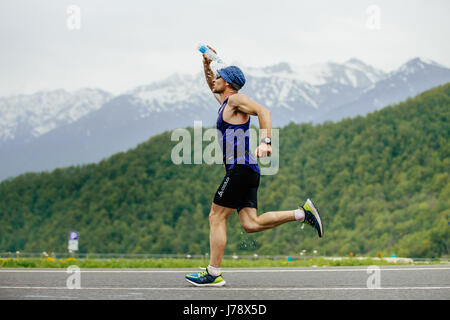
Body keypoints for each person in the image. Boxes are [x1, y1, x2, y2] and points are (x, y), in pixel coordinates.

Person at [185, 46, 323, 287]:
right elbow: (211, 84)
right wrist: (207, 64)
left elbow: (263, 111)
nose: (214, 81)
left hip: (240, 168)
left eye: (219, 77)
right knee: (251, 224)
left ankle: (213, 272)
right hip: (246, 170)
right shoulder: (226, 102)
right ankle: (303, 213)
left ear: (227, 82)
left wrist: (266, 141)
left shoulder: (236, 100)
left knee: (216, 216)